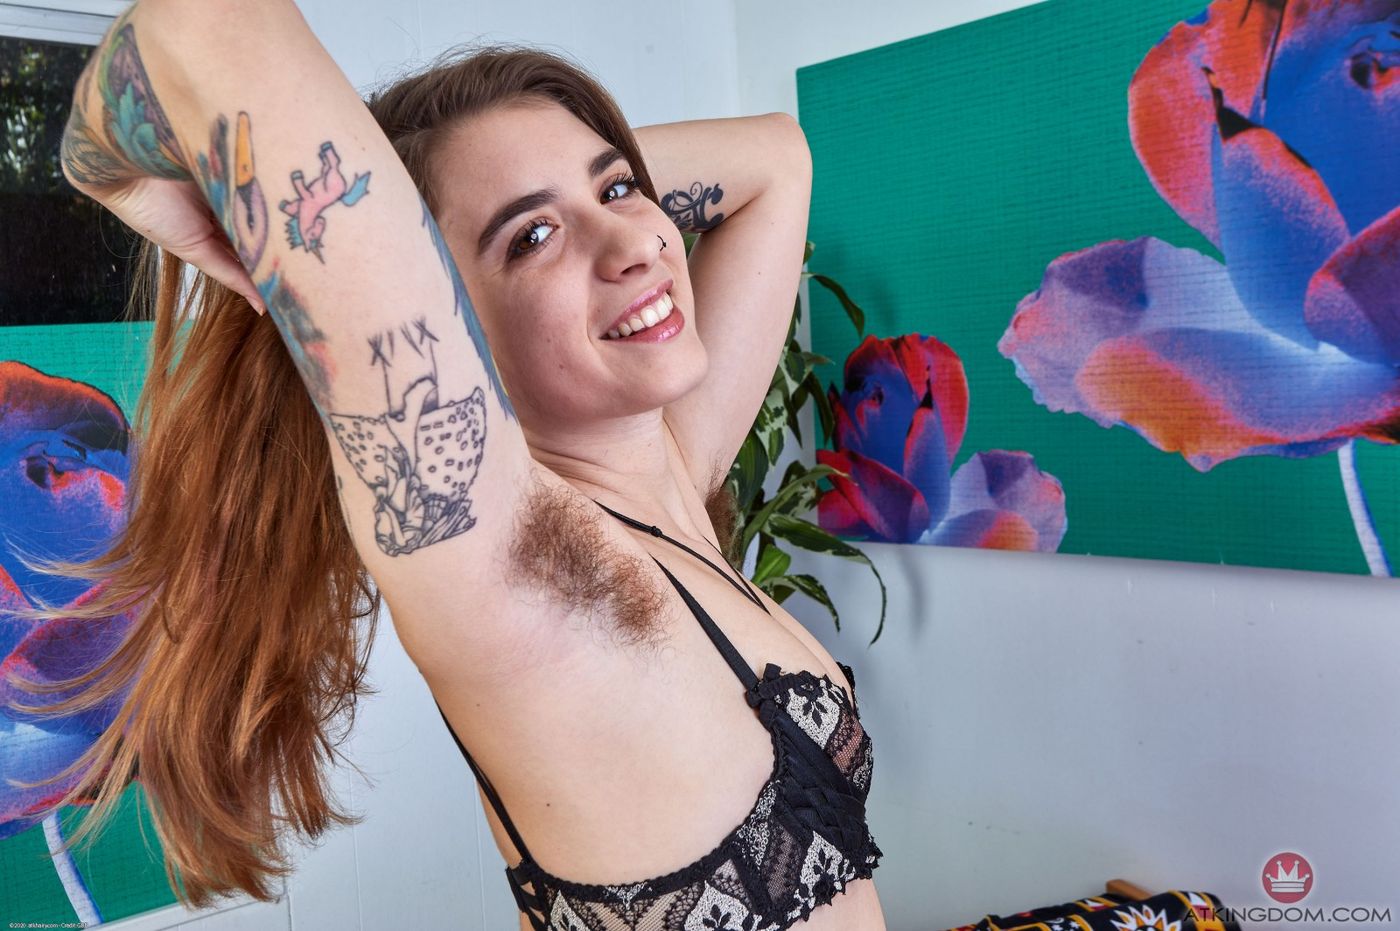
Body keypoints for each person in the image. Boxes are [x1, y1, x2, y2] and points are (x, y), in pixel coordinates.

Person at [30, 1, 884, 927]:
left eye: (617, 188)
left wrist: (523, 190)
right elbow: (206, 21)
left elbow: (775, 159)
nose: (638, 244)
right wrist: (343, 245)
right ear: (449, 329)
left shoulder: (672, 466)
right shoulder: (518, 566)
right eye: (531, 238)